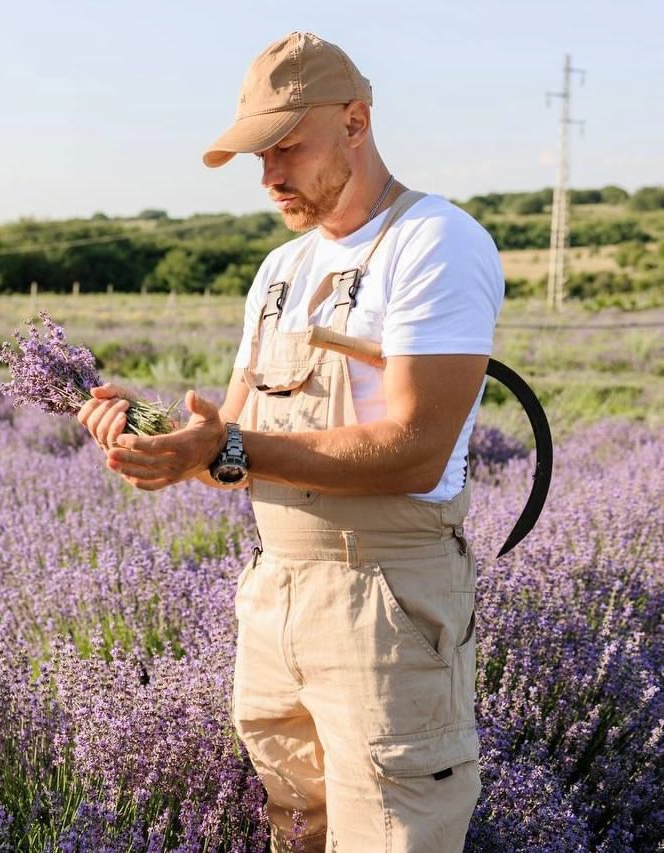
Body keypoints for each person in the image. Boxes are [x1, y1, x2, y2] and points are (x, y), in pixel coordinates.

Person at [78, 31, 504, 853]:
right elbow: (232, 449)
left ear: (355, 122)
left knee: (393, 833)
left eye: (285, 148)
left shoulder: (434, 242)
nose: (268, 176)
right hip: (274, 593)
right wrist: (159, 436)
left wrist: (227, 446)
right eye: (258, 155)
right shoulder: (278, 271)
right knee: (293, 835)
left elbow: (416, 447)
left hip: (386, 599)